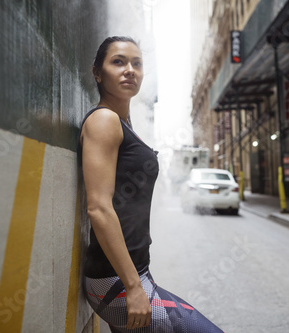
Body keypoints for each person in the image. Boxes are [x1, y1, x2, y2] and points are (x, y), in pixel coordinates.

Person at [78, 36, 224, 332]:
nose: (130, 69)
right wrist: (134, 288)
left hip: (131, 274)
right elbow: (99, 208)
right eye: (118, 61)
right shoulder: (104, 120)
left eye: (137, 63)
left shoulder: (122, 123)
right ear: (97, 72)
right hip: (116, 282)